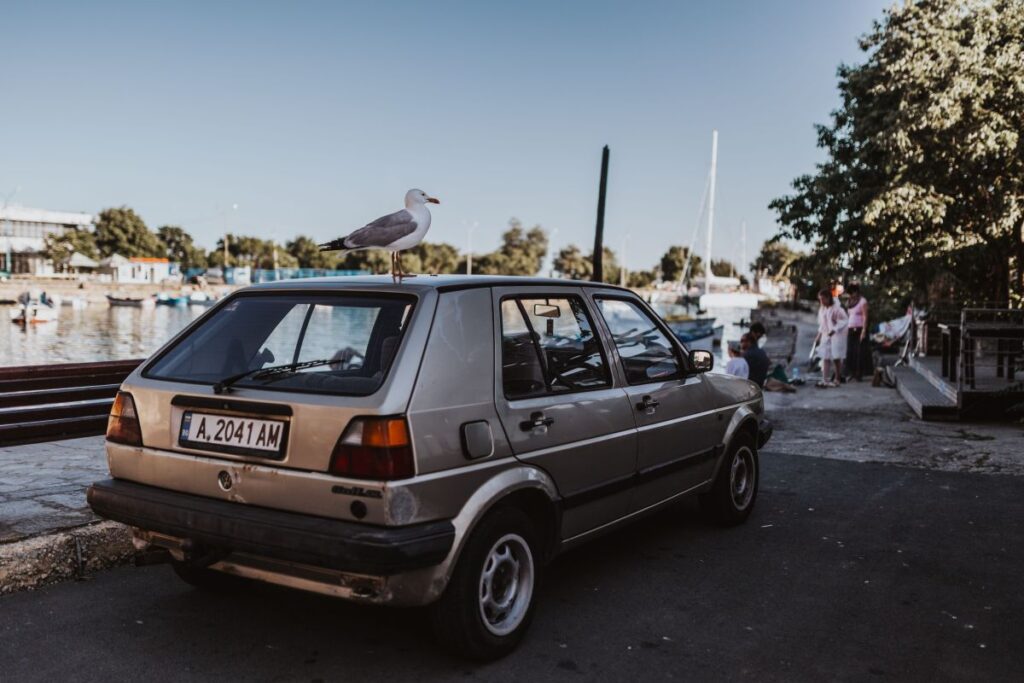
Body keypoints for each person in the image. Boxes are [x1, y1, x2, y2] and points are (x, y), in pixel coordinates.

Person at [814, 287, 848, 387]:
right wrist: (818, 336)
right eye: (820, 299)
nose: (821, 301)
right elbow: (822, 324)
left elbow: (844, 321)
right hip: (826, 334)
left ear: (828, 298)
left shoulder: (837, 309)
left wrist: (834, 329)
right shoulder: (823, 309)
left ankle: (837, 378)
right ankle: (825, 379)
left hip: (837, 335)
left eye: (823, 299)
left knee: (836, 357)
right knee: (825, 356)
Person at [845, 283, 870, 381]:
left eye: (852, 293)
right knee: (850, 351)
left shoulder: (863, 301)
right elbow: (849, 315)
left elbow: (865, 316)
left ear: (856, 292)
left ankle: (859, 373)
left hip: (859, 328)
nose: (851, 295)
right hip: (851, 328)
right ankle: (851, 372)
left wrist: (864, 330)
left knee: (859, 352)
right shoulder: (850, 301)